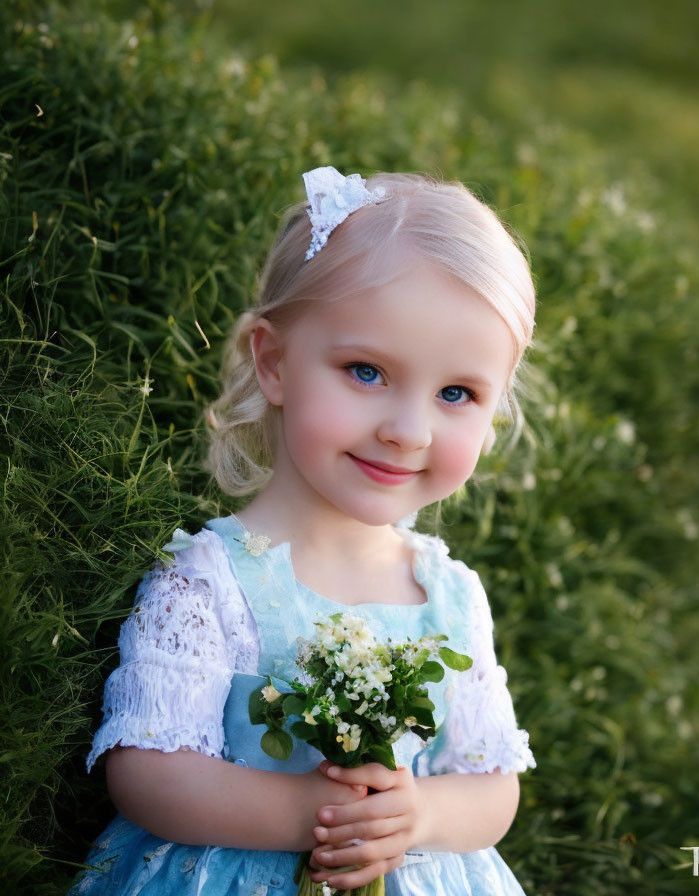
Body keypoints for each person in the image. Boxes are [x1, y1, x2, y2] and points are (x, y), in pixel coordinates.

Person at [69, 166, 537, 895]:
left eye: (456, 393)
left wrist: (416, 818)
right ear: (275, 362)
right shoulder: (210, 580)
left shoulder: (447, 594)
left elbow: (491, 785)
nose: (408, 431)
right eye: (366, 372)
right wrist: (312, 813)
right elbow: (147, 771)